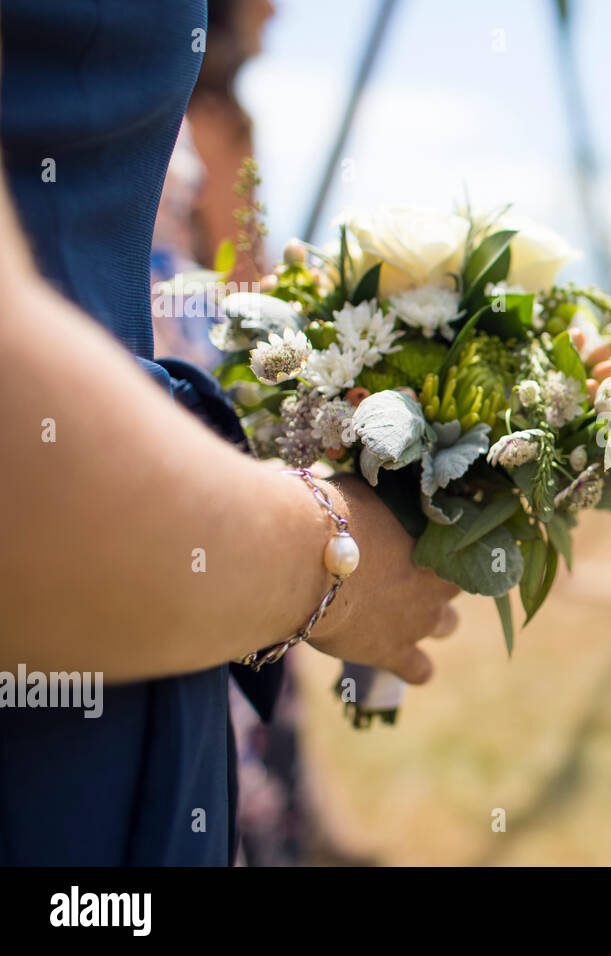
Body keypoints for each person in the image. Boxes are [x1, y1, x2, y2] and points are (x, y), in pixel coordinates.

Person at [0, 0, 459, 866]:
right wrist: (333, 551)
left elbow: (243, 272)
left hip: (179, 428)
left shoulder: (217, 120)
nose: (280, 9)